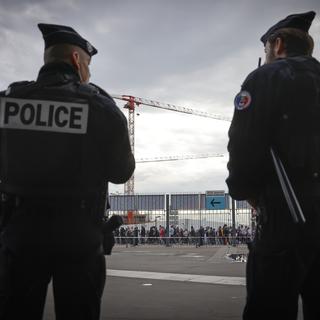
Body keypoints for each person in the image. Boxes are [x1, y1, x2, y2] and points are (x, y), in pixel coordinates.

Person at [0, 24, 135, 320]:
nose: (89, 72)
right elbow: (122, 172)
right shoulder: (99, 106)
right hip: (79, 234)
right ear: (76, 59)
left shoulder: (8, 103)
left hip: (20, 230)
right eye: (88, 64)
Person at [226, 11, 320, 320]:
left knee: (270, 307)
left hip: (283, 217)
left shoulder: (264, 78)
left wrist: (244, 192)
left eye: (266, 49)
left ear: (277, 44)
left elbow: (243, 143)